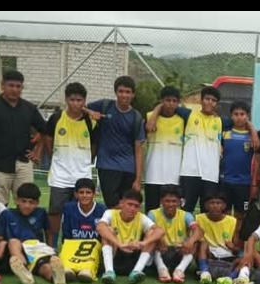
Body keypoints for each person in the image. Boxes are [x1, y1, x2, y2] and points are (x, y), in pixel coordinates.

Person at [0, 70, 47, 210]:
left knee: (27, 202)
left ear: (22, 87)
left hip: (23, 163)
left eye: (18, 86)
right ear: (2, 86)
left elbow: (45, 130)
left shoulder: (29, 108)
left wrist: (37, 152)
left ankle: (23, 226)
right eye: (11, 85)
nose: (14, 89)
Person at [44, 83, 100, 241]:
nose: (75, 104)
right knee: (55, 212)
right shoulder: (56, 118)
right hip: (60, 177)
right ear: (66, 99)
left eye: (79, 100)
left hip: (82, 176)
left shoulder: (90, 121)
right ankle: (52, 246)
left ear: (84, 101)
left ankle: (74, 244)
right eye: (72, 100)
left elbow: (94, 145)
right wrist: (53, 156)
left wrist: (87, 160)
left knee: (80, 212)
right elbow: (47, 137)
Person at [87, 77, 147, 211]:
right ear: (115, 92)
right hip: (107, 166)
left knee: (128, 205)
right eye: (121, 91)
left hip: (128, 168)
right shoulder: (105, 105)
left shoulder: (136, 117)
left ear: (133, 94)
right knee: (112, 205)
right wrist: (91, 112)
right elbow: (81, 107)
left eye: (128, 92)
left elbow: (138, 150)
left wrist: (138, 180)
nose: (124, 95)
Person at [0, 183, 67, 284]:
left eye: (31, 202)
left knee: (45, 267)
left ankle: (56, 278)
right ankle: (23, 268)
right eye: (23, 201)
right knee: (13, 242)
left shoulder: (41, 213)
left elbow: (49, 233)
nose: (27, 205)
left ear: (37, 203)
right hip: (15, 253)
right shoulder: (7, 214)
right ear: (16, 200)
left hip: (35, 251)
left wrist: (51, 250)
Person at [58, 175, 116, 283]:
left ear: (94, 194)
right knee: (66, 268)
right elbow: (66, 236)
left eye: (88, 192)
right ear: (76, 194)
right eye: (81, 192)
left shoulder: (102, 210)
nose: (85, 195)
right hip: (73, 248)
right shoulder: (68, 208)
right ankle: (68, 269)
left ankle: (90, 270)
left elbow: (106, 236)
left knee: (86, 272)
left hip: (93, 250)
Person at [98, 190, 162, 283]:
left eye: (136, 206)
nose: (132, 208)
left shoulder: (141, 217)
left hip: (133, 255)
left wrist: (143, 243)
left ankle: (137, 271)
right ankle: (109, 272)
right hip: (115, 254)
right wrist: (119, 244)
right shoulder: (110, 213)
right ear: (121, 203)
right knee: (108, 230)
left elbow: (160, 230)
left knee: (152, 232)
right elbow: (100, 227)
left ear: (139, 208)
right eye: (130, 204)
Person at [143, 87, 190, 211]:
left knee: (171, 213)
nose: (171, 104)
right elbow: (148, 129)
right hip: (153, 175)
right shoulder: (150, 116)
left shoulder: (183, 120)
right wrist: (157, 111)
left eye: (174, 101)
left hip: (173, 177)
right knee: (151, 212)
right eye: (168, 100)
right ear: (161, 101)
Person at [218, 101, 258, 232]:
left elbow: (258, 150)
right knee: (224, 214)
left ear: (248, 116)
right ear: (231, 116)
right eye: (236, 114)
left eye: (242, 114)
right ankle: (225, 240)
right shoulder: (225, 133)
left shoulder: (253, 136)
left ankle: (237, 241)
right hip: (225, 181)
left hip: (244, 182)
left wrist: (252, 130)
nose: (239, 117)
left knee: (240, 215)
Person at [145, 190, 199, 284]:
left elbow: (198, 230)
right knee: (152, 236)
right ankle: (162, 269)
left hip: (180, 252)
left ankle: (180, 270)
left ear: (179, 202)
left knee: (196, 241)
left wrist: (191, 240)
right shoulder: (152, 214)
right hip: (161, 251)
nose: (170, 204)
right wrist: (159, 238)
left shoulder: (186, 215)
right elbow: (148, 232)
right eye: (167, 201)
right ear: (161, 201)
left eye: (174, 201)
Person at [191, 195, 242, 284]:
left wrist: (233, 247)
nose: (215, 206)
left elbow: (237, 248)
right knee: (203, 243)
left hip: (226, 255)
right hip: (209, 254)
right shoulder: (199, 218)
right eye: (212, 203)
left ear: (224, 206)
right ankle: (204, 272)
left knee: (245, 258)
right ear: (206, 205)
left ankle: (230, 278)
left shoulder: (232, 221)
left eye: (218, 203)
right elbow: (194, 239)